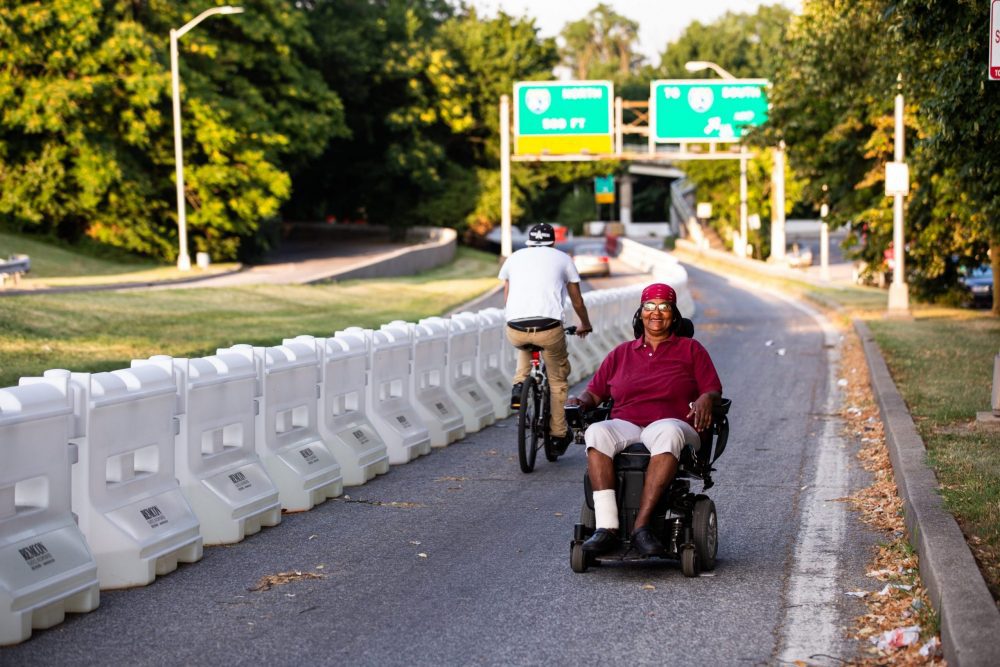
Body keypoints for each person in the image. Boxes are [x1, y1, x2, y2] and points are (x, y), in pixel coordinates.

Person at [567, 282, 722, 556]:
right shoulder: (621, 353)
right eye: (650, 306)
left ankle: (642, 527)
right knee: (597, 433)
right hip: (629, 424)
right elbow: (594, 393)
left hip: (674, 423)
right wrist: (579, 401)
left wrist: (705, 398)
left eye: (664, 307)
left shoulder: (691, 350)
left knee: (667, 431)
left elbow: (712, 389)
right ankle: (606, 528)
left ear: (674, 315)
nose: (656, 313)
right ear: (641, 313)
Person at [498, 222, 593, 453]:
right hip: (548, 327)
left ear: (530, 240)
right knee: (558, 381)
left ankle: (520, 386)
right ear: (552, 241)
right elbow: (577, 300)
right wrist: (585, 324)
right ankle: (558, 433)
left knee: (525, 345)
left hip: (515, 326)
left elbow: (507, 296)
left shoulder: (514, 258)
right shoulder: (563, 259)